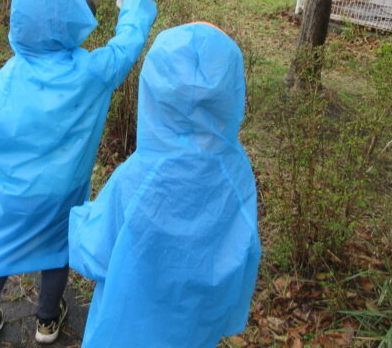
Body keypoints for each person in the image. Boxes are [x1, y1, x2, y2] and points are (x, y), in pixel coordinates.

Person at [0, 0, 157, 348]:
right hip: (66, 187)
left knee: (3, 245)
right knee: (60, 244)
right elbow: (125, 47)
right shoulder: (90, 72)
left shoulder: (13, 74)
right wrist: (133, 7)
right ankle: (47, 320)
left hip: (19, 192)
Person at [69, 22, 261, 348]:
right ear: (231, 91)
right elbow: (244, 252)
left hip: (124, 330)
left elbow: (95, 252)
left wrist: (79, 220)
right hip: (195, 328)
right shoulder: (236, 172)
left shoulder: (138, 175)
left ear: (155, 89)